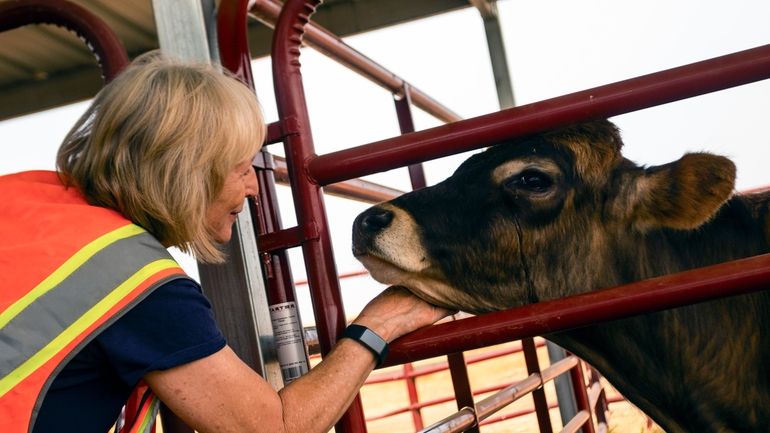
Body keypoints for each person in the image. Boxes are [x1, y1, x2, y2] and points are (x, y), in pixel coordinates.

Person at [0, 52, 451, 433]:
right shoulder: (136, 283)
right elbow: (273, 428)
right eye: (240, 169)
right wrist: (377, 327)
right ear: (187, 173)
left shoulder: (19, 195)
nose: (253, 189)